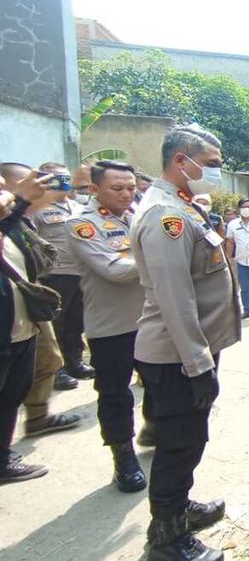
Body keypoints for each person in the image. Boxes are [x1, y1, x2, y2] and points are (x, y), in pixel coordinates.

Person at [132, 124, 240, 561]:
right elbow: (176, 298)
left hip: (188, 351)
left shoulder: (180, 207)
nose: (215, 173)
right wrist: (198, 363)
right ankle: (167, 540)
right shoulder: (165, 217)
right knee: (179, 445)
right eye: (211, 165)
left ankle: (178, 507)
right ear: (182, 162)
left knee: (188, 439)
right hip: (176, 356)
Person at [66, 160, 149, 492]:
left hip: (148, 321)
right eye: (117, 188)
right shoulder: (82, 225)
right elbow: (112, 270)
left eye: (131, 187)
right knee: (115, 395)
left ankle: (155, 431)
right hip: (111, 327)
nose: (126, 194)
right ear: (94, 189)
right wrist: (159, 260)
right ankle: (123, 457)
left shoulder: (136, 216)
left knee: (161, 384)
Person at [0, 163, 83, 437]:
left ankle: (37, 416)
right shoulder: (14, 215)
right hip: (10, 309)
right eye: (28, 182)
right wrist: (22, 201)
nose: (39, 187)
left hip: (23, 301)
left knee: (47, 359)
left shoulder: (19, 218)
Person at [0, 166, 62, 483]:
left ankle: (3, 457)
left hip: (20, 328)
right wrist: (18, 196)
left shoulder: (10, 225)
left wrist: (21, 203)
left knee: (12, 395)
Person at [30, 162, 93, 384]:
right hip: (53, 275)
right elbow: (32, 243)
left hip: (82, 273)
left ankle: (74, 362)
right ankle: (56, 371)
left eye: (67, 178)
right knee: (55, 323)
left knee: (76, 322)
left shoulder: (78, 207)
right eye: (58, 178)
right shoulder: (36, 208)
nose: (64, 183)